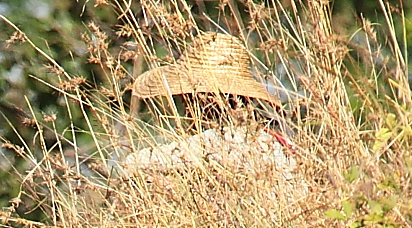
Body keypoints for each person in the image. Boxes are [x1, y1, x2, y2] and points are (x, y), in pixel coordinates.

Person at [118, 32, 295, 179]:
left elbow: (135, 164)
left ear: (201, 99)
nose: (184, 107)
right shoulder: (272, 141)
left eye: (185, 97)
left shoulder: (226, 140)